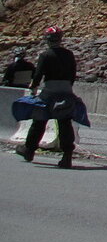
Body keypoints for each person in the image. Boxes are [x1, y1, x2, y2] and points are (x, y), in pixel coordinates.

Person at [15, 27, 78, 169]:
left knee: (39, 121)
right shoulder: (69, 54)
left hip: (49, 91)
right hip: (66, 91)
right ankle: (67, 156)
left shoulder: (45, 55)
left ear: (47, 39)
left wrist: (34, 86)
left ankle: (29, 150)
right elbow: (73, 73)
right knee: (64, 123)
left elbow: (38, 75)